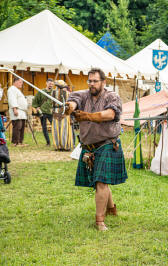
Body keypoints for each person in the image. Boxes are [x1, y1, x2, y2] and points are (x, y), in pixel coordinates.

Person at [65, 68, 127, 231]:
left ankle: (100, 221)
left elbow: (109, 115)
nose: (91, 84)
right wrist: (69, 107)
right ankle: (111, 208)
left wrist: (86, 116)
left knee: (101, 181)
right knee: (102, 181)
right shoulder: (83, 94)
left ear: (103, 82)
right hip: (88, 146)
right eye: (89, 81)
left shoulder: (112, 96)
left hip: (107, 143)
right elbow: (73, 101)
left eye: (95, 81)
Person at [51, 80, 74, 151]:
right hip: (63, 113)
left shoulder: (53, 93)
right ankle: (65, 146)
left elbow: (51, 103)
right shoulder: (68, 93)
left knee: (57, 130)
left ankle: (58, 146)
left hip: (57, 113)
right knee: (64, 130)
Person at [32, 78, 54, 146]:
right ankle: (48, 142)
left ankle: (56, 141)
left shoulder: (54, 92)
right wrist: (37, 107)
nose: (50, 85)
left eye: (52, 84)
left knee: (55, 127)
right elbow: (35, 101)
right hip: (43, 112)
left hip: (51, 112)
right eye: (49, 83)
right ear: (46, 83)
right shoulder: (41, 92)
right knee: (44, 128)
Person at [7, 77, 28, 146]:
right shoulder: (12, 89)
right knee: (17, 126)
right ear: (15, 82)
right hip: (16, 109)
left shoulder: (17, 90)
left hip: (22, 111)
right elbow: (12, 99)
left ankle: (20, 142)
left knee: (21, 127)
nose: (21, 84)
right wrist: (14, 109)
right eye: (20, 82)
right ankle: (15, 142)